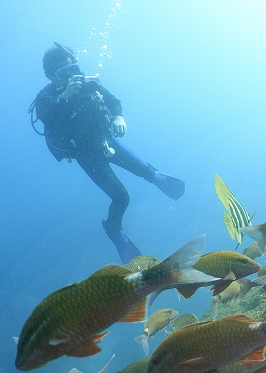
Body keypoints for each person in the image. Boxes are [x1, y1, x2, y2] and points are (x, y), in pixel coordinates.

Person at [30, 43, 185, 263]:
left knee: (148, 173)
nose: (71, 74)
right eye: (63, 72)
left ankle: (158, 178)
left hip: (106, 140)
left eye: (73, 67)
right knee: (121, 197)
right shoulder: (47, 98)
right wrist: (64, 96)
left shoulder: (88, 84)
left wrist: (119, 117)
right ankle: (113, 229)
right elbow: (48, 120)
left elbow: (113, 101)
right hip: (87, 155)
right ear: (51, 76)